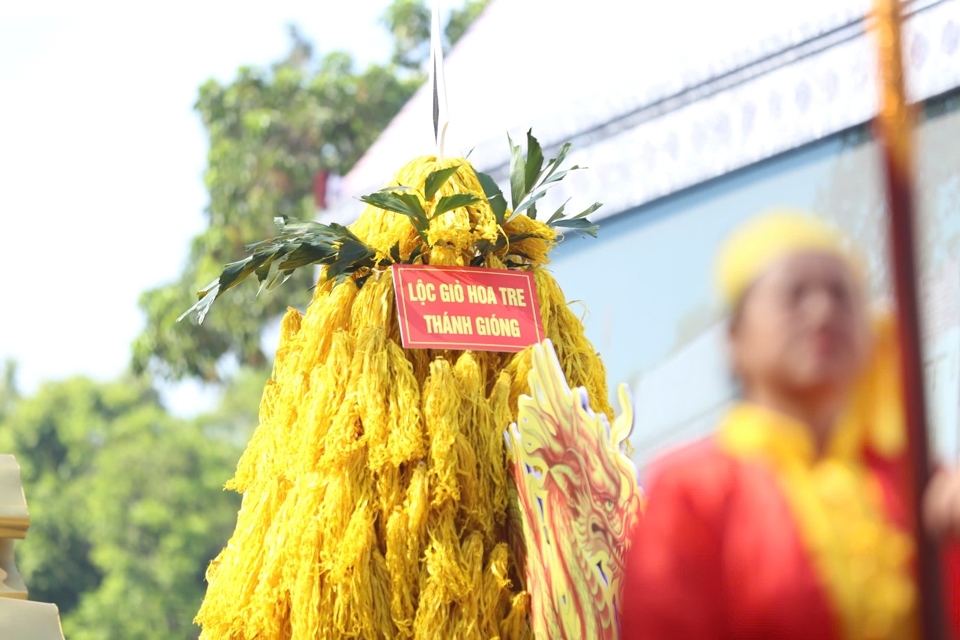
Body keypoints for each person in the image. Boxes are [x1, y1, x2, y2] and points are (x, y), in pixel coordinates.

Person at [620, 212, 960, 640]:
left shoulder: (914, 479)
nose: (822, 311)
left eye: (841, 294)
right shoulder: (694, 492)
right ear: (735, 339)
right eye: (795, 293)